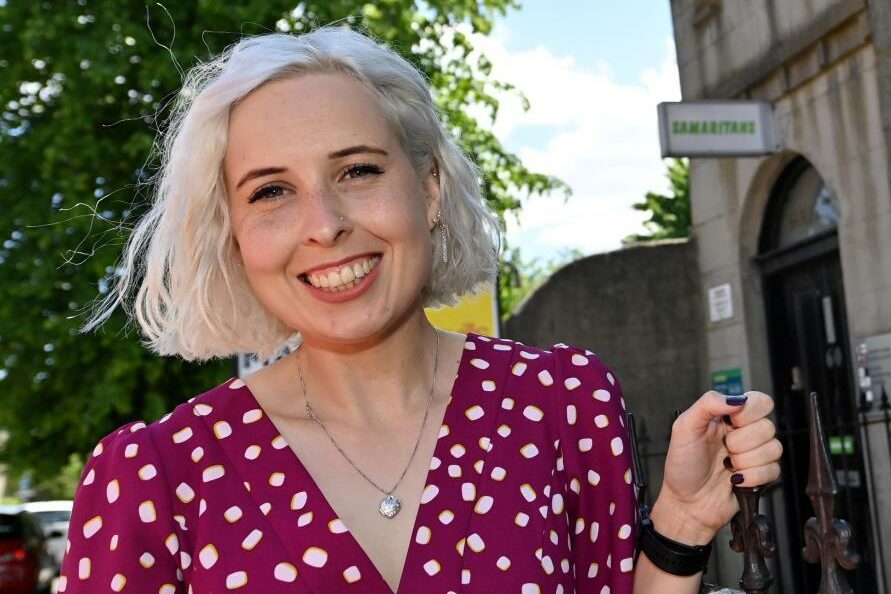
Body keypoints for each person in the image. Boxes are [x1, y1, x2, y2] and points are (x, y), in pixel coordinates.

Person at [59, 27, 782, 593]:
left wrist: (681, 522)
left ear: (427, 189)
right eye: (270, 191)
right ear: (234, 234)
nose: (324, 224)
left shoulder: (562, 402)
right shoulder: (155, 476)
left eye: (357, 171)